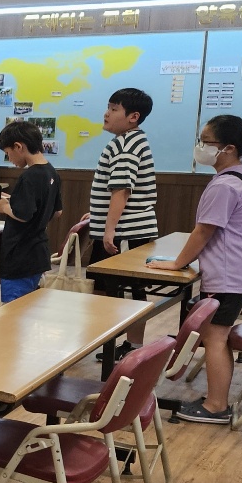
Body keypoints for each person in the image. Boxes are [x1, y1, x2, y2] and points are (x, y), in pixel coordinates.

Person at [148, 115, 242, 424]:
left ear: (229, 148)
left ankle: (216, 406)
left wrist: (177, 263)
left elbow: (203, 231)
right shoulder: (236, 177)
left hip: (229, 276)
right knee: (218, 337)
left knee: (215, 338)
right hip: (237, 272)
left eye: (206, 142)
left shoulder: (225, 185)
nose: (200, 147)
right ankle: (217, 401)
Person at [86, 87, 158, 360]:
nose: (106, 113)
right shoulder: (129, 140)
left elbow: (121, 190)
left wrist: (109, 229)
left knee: (126, 291)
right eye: (108, 107)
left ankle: (131, 345)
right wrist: (97, 215)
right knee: (107, 287)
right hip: (123, 229)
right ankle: (112, 341)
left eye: (114, 109)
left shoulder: (126, 145)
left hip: (125, 232)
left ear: (133, 117)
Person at [0, 120, 62, 303]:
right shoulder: (51, 172)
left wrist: (3, 207)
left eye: (8, 153)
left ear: (18, 147)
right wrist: (14, 201)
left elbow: (23, 214)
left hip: (19, 256)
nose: (9, 159)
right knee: (28, 309)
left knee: (12, 311)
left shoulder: (29, 176)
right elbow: (57, 211)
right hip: (38, 253)